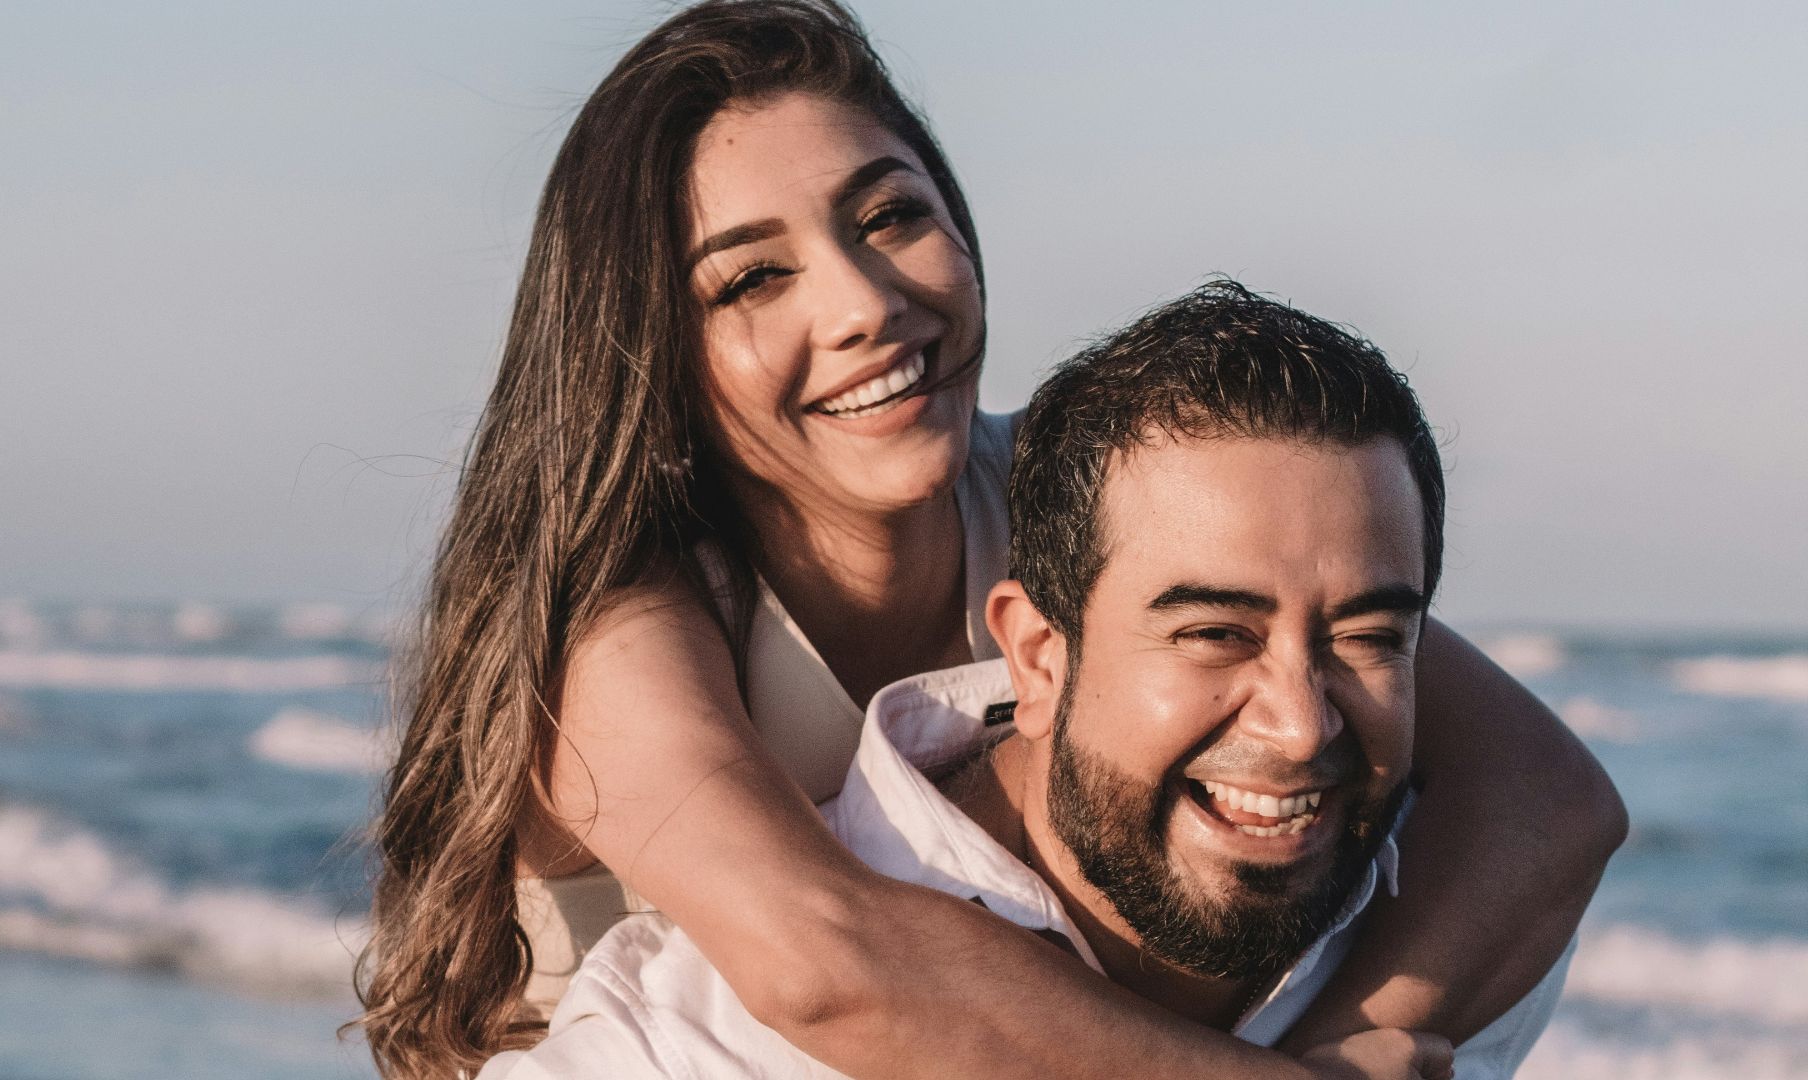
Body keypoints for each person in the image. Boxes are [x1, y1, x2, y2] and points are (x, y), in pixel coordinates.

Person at [356, 3, 1624, 1078]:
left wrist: (1361, 1039)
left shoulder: (1068, 498)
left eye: (890, 215)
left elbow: (1549, 801)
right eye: (752, 279)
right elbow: (823, 966)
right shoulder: (626, 616)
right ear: (649, 349)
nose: (864, 303)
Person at [474, 282, 1576, 1080]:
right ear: (1037, 656)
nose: (1298, 723)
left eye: (1368, 636)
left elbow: (1559, 808)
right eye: (1213, 635)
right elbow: (825, 966)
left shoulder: (1421, 943)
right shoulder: (689, 1051)